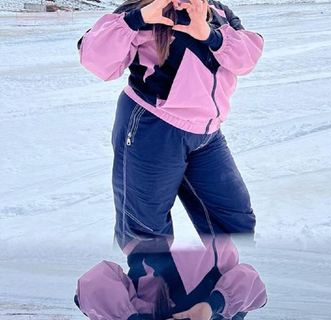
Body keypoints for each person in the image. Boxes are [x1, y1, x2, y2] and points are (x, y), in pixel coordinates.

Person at [77, 0, 264, 254]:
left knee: (235, 224)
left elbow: (247, 60)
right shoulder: (144, 7)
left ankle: (220, 289)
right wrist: (138, 18)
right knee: (147, 235)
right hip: (152, 129)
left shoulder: (218, 11)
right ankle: (148, 291)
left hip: (207, 134)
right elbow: (95, 59)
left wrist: (210, 35)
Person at [74, 236, 267, 320]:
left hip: (146, 228)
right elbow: (250, 281)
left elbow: (96, 281)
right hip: (206, 220)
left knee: (142, 158)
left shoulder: (135, 312)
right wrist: (212, 305)